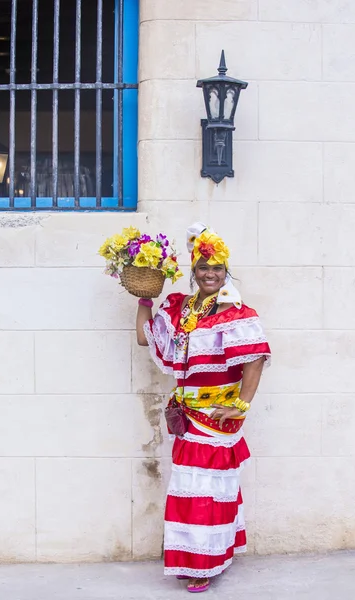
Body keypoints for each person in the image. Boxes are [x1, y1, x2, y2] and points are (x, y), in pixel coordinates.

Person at [136, 223, 271, 593]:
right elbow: (143, 336)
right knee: (190, 487)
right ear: (193, 272)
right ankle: (197, 558)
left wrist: (241, 405)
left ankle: (204, 564)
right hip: (185, 415)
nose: (210, 274)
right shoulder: (181, 309)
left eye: (217, 268)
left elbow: (254, 360)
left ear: (227, 271)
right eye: (203, 268)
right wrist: (145, 298)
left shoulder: (236, 312)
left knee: (205, 490)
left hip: (215, 419)